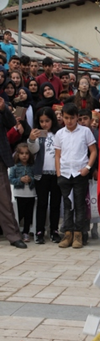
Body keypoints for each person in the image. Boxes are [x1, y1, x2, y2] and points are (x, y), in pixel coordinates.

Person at [54, 103, 97, 248]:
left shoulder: (85, 131)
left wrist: (87, 168)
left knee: (79, 205)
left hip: (80, 173)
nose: (69, 121)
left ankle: (79, 234)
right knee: (67, 205)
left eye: (72, 118)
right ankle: (68, 233)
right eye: (66, 118)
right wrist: (59, 173)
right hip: (65, 173)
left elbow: (93, 151)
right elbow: (57, 155)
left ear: (77, 117)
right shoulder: (60, 134)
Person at [27, 107, 62, 244]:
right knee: (42, 203)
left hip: (56, 173)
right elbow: (33, 150)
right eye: (41, 121)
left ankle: (54, 230)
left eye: (47, 121)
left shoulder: (58, 134)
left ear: (52, 121)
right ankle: (39, 231)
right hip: (41, 174)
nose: (44, 124)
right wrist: (31, 139)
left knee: (55, 203)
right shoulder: (37, 135)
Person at [0, 96, 27, 248]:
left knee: (4, 201)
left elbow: (11, 124)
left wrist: (3, 109)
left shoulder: (1, 104)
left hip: (0, 160)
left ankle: (13, 235)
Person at [9, 143, 36, 242]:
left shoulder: (32, 166)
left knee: (28, 215)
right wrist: (20, 180)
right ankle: (15, 232)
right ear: (18, 154)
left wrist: (31, 180)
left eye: (26, 153)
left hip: (31, 194)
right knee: (19, 214)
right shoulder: (15, 166)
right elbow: (11, 179)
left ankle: (26, 232)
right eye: (22, 153)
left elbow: (36, 179)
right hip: (19, 194)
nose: (24, 155)